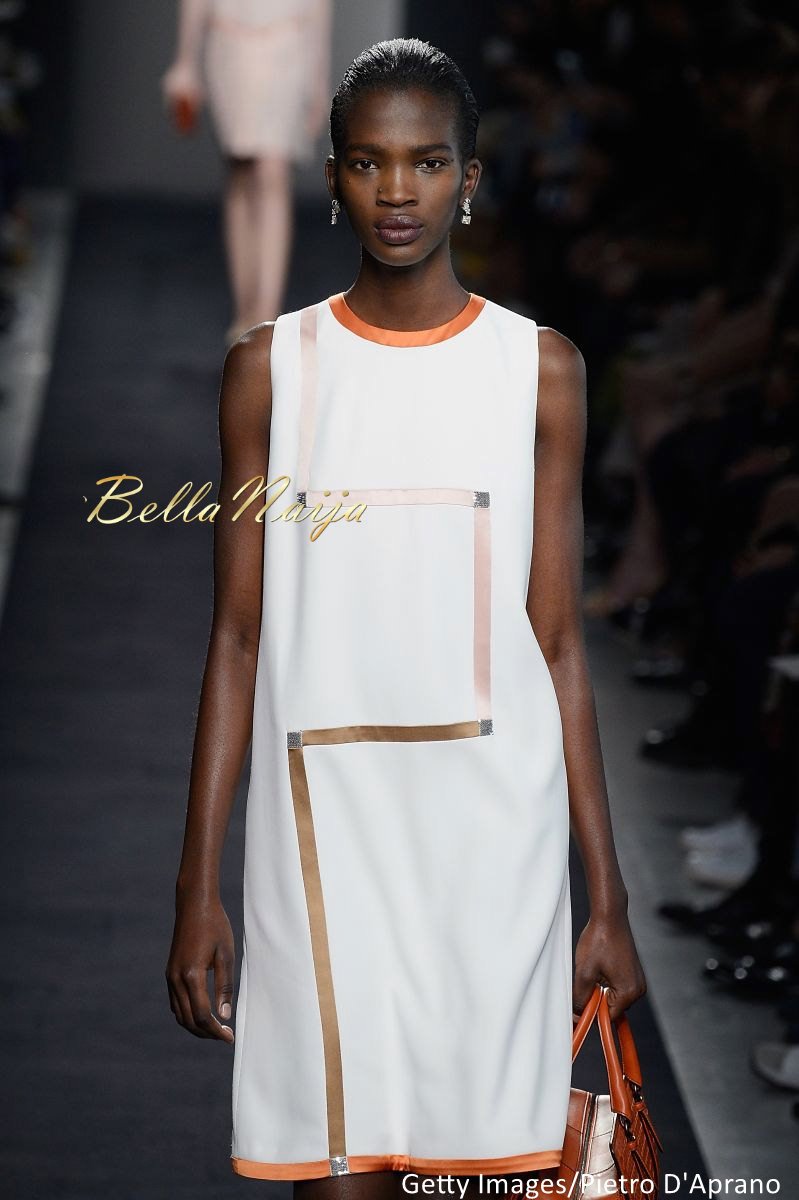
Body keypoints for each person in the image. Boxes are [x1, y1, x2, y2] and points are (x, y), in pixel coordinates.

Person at [165, 36, 647, 1197]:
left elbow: (557, 641)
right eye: (369, 163)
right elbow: (236, 637)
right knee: (339, 1174)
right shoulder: (272, 370)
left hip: (493, 833)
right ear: (333, 176)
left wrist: (607, 895)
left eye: (427, 163)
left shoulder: (540, 372)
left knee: (477, 1174)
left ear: (467, 179)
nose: (397, 190)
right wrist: (196, 886)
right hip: (320, 825)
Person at [161, 0, 333, 345]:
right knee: (240, 171)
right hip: (229, 44)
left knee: (273, 172)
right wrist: (186, 59)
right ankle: (244, 314)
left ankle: (266, 321)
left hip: (288, 43)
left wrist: (319, 78)